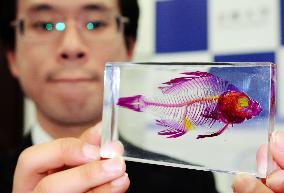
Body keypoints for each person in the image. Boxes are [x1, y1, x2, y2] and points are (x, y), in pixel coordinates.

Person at [0, 0, 218, 192]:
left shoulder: (191, 184)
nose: (71, 47)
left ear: (129, 47)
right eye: (45, 25)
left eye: (94, 23)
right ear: (12, 57)